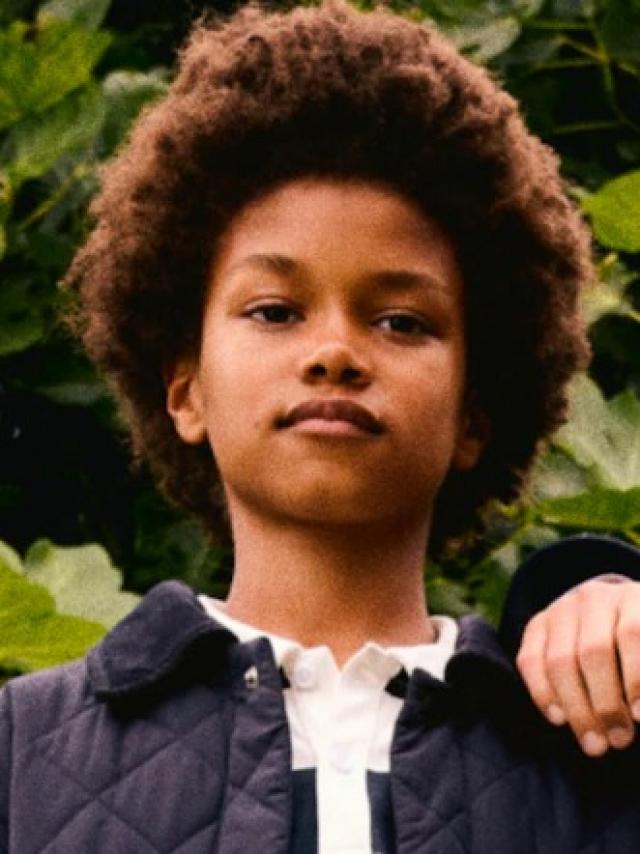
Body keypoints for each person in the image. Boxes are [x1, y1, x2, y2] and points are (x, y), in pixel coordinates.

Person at [1, 2, 640, 851]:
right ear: (185, 391)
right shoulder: (21, 754)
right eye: (274, 310)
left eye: (402, 321)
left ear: (474, 418)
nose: (335, 352)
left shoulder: (598, 749)